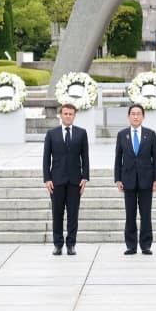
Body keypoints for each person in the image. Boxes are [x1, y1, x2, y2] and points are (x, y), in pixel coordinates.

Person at [43, 103, 89, 256]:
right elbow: (46, 158)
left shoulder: (81, 133)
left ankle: (71, 244)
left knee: (73, 214)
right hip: (56, 181)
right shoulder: (51, 133)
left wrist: (85, 177)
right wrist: (47, 178)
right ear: (61, 115)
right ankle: (57, 244)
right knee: (57, 213)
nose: (68, 116)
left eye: (71, 114)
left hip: (75, 181)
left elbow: (85, 157)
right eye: (65, 113)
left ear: (74, 116)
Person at [114, 103, 156, 255]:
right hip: (128, 180)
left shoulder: (150, 134)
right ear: (128, 117)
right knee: (130, 214)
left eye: (138, 114)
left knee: (146, 214)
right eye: (133, 114)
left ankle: (146, 245)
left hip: (146, 180)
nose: (135, 116)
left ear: (143, 116)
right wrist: (118, 179)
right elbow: (118, 159)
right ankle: (131, 245)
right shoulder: (122, 134)